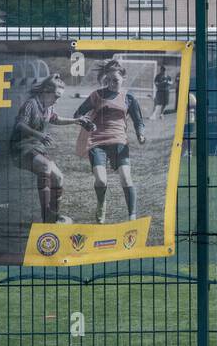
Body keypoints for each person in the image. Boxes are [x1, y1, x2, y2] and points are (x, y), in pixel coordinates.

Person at [9, 74, 91, 224]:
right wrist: (39, 135)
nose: (57, 100)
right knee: (45, 167)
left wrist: (76, 121)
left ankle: (53, 217)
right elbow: (19, 125)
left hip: (36, 149)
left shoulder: (48, 106)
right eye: (56, 96)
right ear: (46, 91)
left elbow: (55, 119)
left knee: (59, 177)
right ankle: (46, 215)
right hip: (20, 149)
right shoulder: (31, 104)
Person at [74, 58, 147, 223]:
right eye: (109, 80)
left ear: (123, 78)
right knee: (100, 180)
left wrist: (140, 134)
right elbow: (78, 113)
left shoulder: (129, 98)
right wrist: (85, 121)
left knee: (126, 178)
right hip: (97, 142)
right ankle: (101, 203)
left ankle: (132, 217)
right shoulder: (97, 95)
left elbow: (138, 121)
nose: (113, 83)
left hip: (119, 142)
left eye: (116, 80)